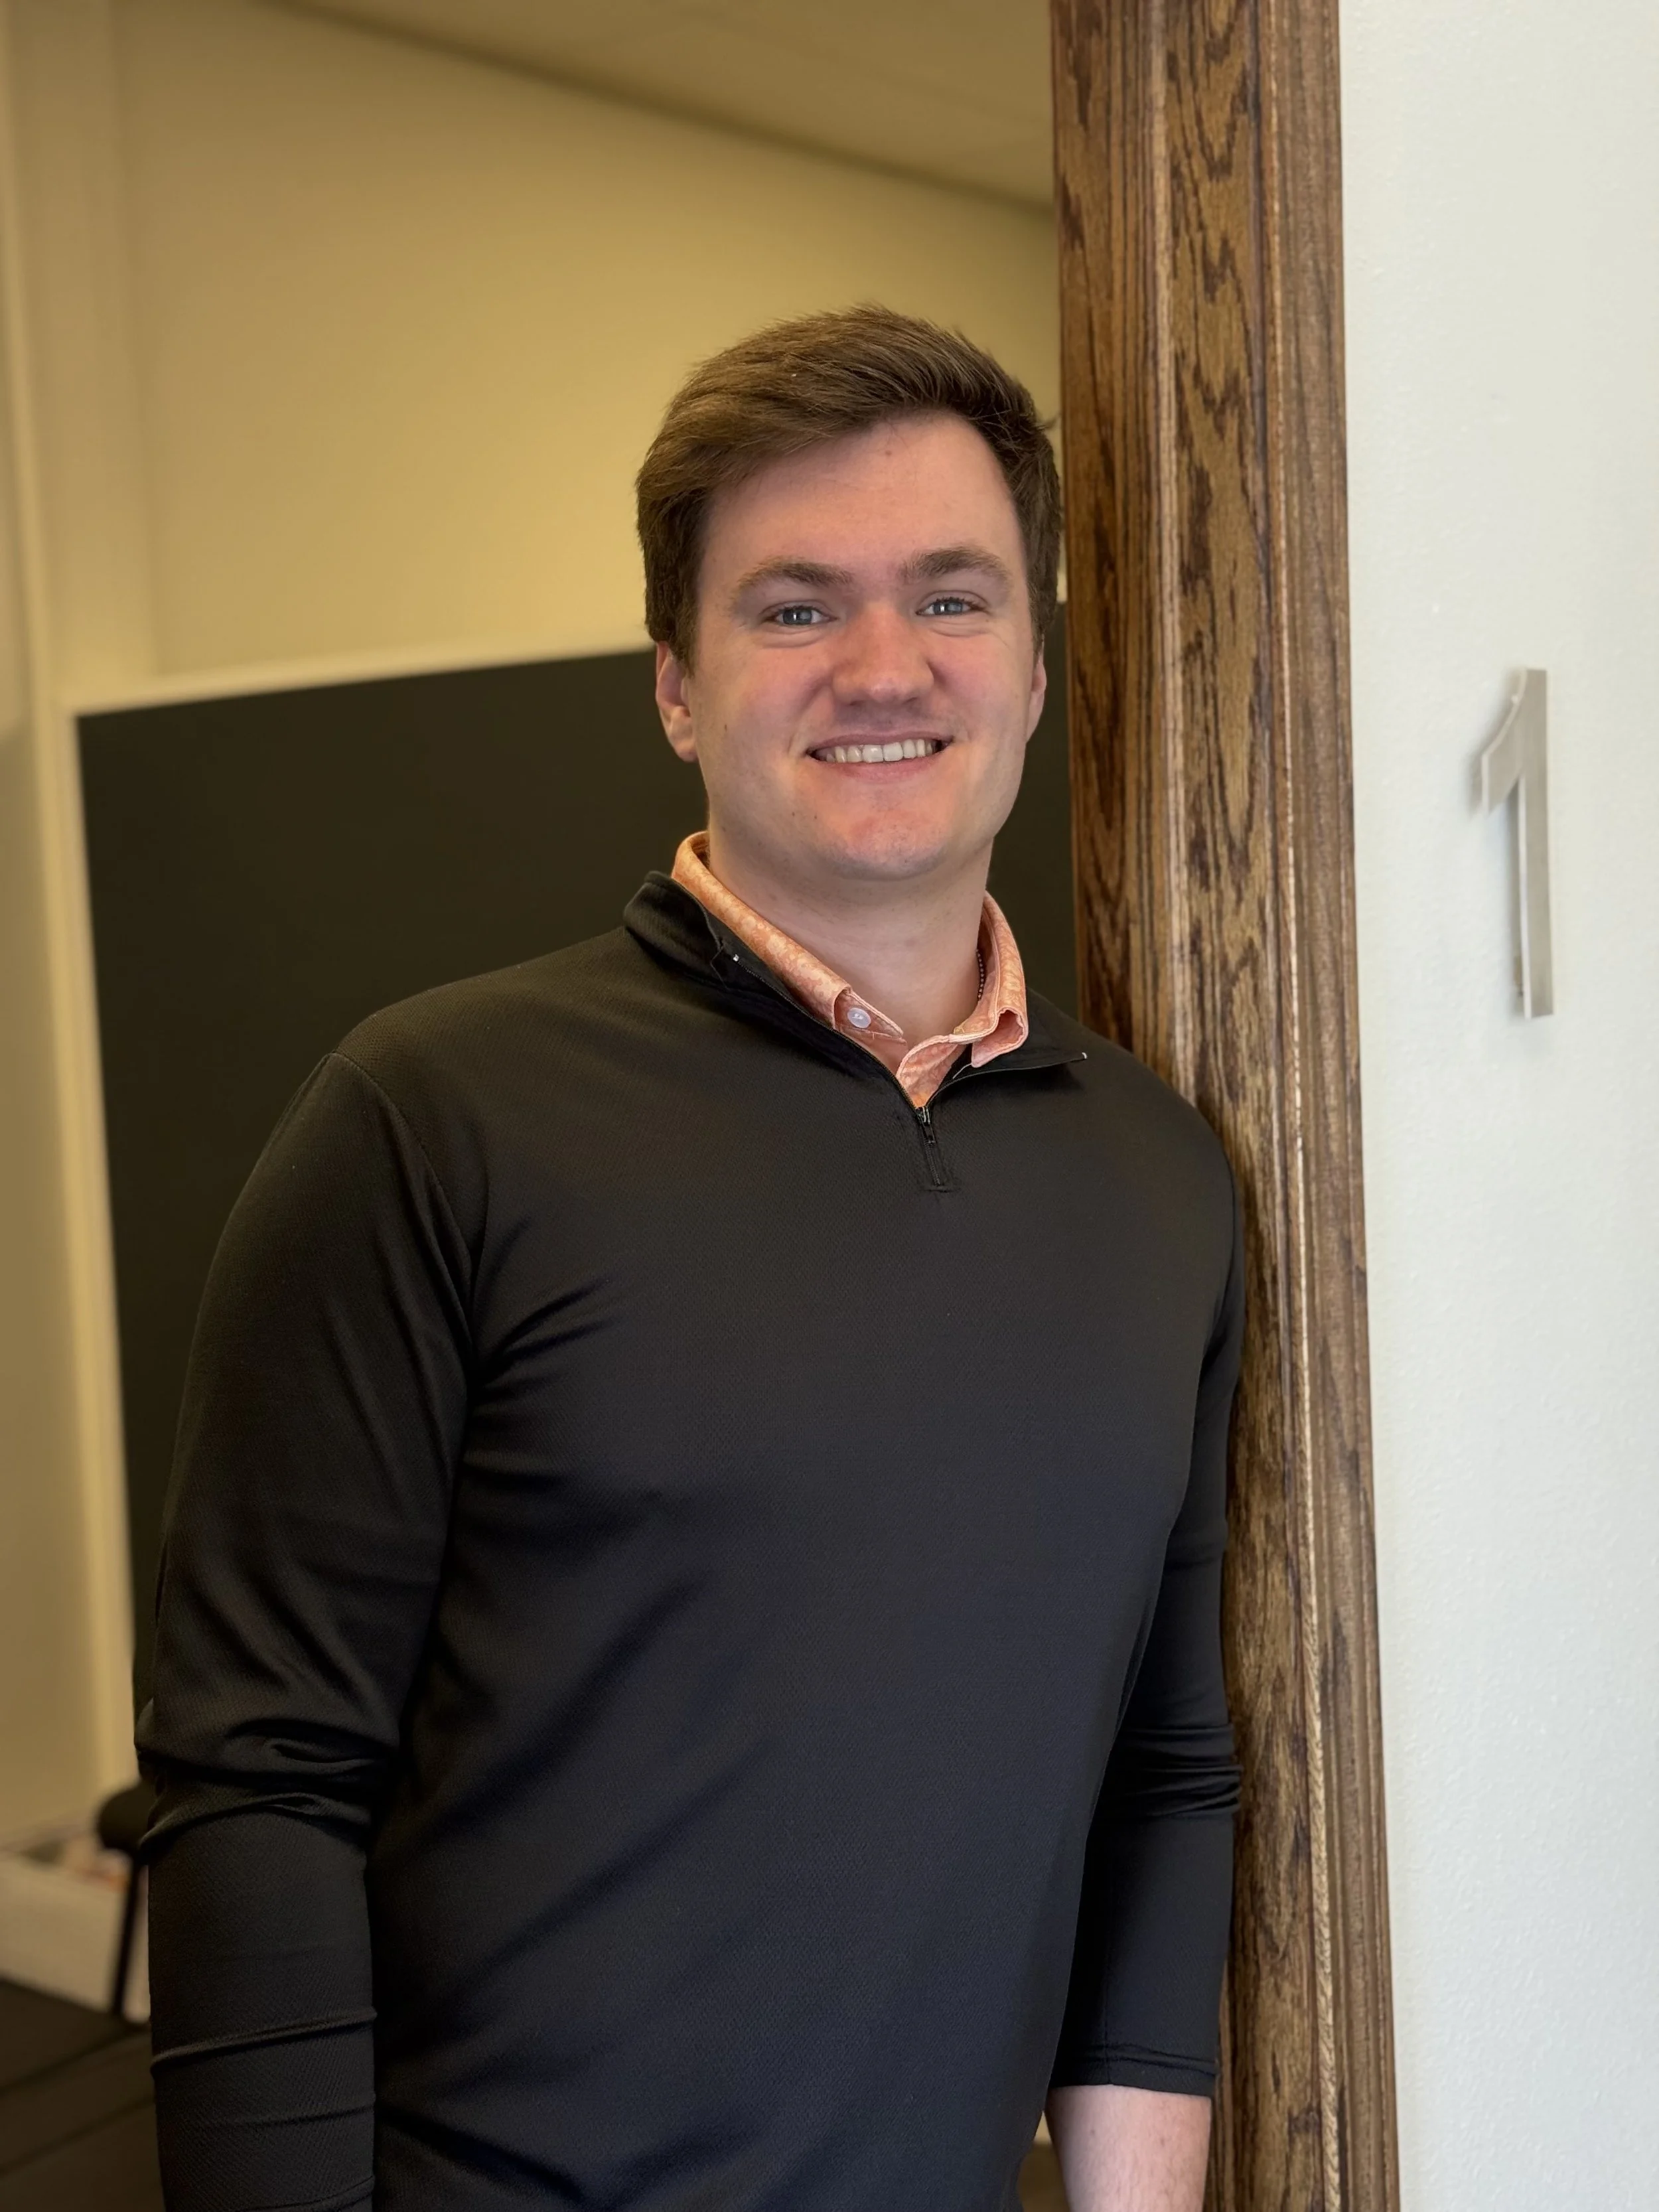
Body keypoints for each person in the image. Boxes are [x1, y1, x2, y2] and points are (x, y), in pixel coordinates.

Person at [139, 306, 1243, 2212]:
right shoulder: (429, 1116)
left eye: (952, 597)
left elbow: (1162, 1760)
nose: (882, 665)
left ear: (1039, 668)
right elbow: (260, 1789)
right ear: (675, 680)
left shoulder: (1157, 1178)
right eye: (794, 606)